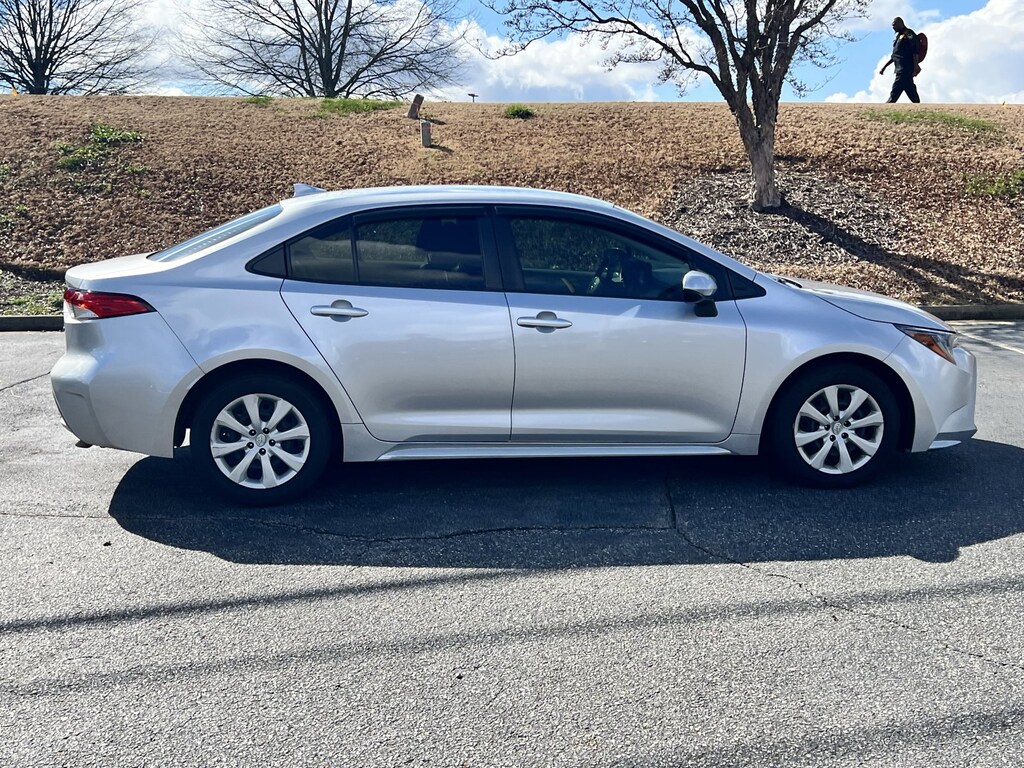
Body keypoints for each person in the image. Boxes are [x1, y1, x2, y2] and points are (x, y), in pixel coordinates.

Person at [880, 17, 921, 103]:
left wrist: (916, 65)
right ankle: (918, 105)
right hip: (900, 68)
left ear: (900, 24)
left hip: (905, 68)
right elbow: (894, 56)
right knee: (910, 89)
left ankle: (889, 103)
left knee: (897, 87)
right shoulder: (899, 37)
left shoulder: (909, 34)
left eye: (894, 25)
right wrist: (884, 67)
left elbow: (915, 49)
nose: (893, 27)